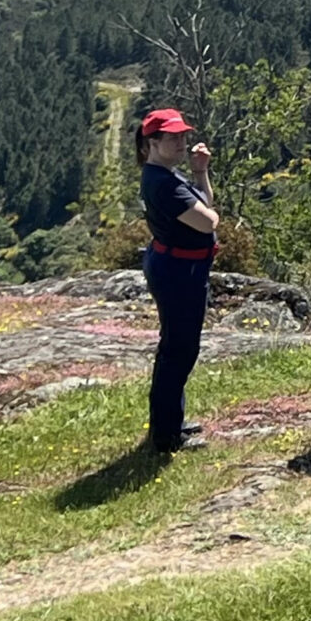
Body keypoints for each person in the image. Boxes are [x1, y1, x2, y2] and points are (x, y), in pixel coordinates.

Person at [137, 108, 217, 454]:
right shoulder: (164, 183)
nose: (182, 142)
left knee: (178, 347)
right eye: (173, 137)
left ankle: (170, 422)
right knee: (178, 350)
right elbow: (208, 221)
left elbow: (205, 205)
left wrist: (200, 173)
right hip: (178, 272)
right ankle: (166, 434)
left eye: (183, 135)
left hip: (178, 267)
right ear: (152, 143)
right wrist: (208, 209)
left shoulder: (168, 175)